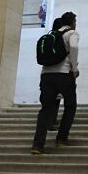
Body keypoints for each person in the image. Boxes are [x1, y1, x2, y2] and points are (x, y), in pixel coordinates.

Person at [31, 11, 79, 154]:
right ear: (72, 22)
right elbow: (74, 47)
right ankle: (61, 139)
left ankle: (37, 145)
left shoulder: (51, 35)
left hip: (46, 75)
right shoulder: (72, 34)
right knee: (70, 106)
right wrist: (74, 68)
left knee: (45, 109)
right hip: (64, 74)